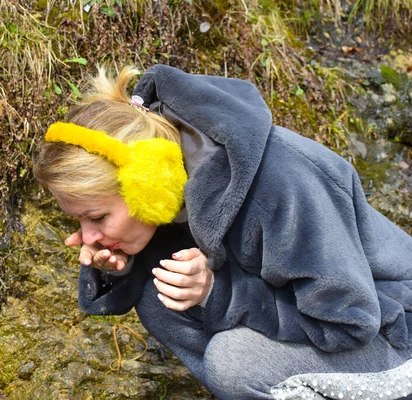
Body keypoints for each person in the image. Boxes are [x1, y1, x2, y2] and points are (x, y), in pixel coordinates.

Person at [32, 64, 412, 399]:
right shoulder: (176, 176)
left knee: (235, 362)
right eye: (79, 221)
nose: (87, 236)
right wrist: (120, 264)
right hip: (349, 323)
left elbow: (351, 320)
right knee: (162, 292)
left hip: (394, 333)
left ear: (147, 181)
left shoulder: (282, 185)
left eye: (96, 217)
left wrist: (217, 292)